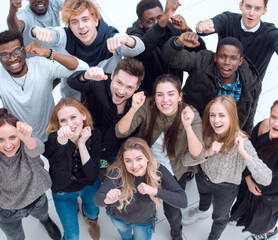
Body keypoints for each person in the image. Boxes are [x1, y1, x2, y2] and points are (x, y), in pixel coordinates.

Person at [115, 74, 204, 240]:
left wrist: (188, 126)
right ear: (154, 96)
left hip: (174, 171)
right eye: (160, 94)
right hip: (146, 166)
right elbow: (120, 131)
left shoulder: (190, 113)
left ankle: (176, 232)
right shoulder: (148, 106)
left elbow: (197, 154)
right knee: (144, 201)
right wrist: (133, 108)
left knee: (172, 209)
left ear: (180, 96)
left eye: (171, 94)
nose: (165, 100)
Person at [182, 95, 272, 240]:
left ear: (231, 116)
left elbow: (266, 178)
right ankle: (203, 210)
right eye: (212, 115)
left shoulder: (242, 141)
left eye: (222, 115)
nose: (216, 120)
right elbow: (185, 161)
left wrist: (243, 153)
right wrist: (207, 152)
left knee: (220, 216)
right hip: (203, 176)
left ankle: (213, 238)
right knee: (204, 197)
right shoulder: (205, 133)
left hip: (226, 188)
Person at [30, 0, 145, 98]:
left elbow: (139, 48)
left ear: (95, 20)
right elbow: (51, 33)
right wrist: (36, 31)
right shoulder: (66, 36)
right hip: (75, 102)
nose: (81, 26)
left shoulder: (110, 35)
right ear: (69, 25)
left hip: (106, 102)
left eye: (85, 19)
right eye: (74, 22)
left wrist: (127, 40)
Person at [162, 34, 261, 134]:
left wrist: (244, 139)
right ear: (215, 56)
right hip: (191, 127)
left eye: (233, 58)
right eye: (223, 56)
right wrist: (178, 42)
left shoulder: (252, 83)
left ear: (240, 61)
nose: (227, 62)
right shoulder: (203, 61)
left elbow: (249, 118)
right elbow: (172, 58)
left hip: (224, 136)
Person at [0, 30, 87, 142]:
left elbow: (83, 68)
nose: (12, 58)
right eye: (5, 55)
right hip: (21, 140)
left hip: (52, 135)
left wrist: (48, 53)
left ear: (24, 49)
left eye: (16, 51)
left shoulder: (40, 65)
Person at [94, 137, 188, 240]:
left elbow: (182, 201)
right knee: (125, 236)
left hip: (144, 222)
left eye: (139, 158)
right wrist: (107, 199)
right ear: (123, 162)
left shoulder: (158, 170)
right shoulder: (117, 172)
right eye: (128, 161)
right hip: (119, 218)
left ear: (147, 157)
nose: (134, 165)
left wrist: (154, 191)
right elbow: (97, 200)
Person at [67, 57, 145, 175]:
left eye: (129, 87)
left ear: (137, 87)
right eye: (119, 83)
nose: (121, 91)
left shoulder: (140, 99)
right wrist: (85, 75)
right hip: (88, 145)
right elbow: (72, 81)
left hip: (115, 152)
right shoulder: (98, 82)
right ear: (112, 75)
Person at [43, 98, 101, 240]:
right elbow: (59, 173)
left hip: (89, 185)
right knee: (72, 236)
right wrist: (61, 145)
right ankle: (75, 205)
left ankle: (91, 220)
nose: (69, 124)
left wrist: (81, 144)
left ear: (83, 115)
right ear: (59, 124)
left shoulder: (94, 135)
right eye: (63, 120)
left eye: (73, 117)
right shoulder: (53, 139)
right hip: (64, 191)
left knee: (93, 213)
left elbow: (92, 175)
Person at [0, 108, 61, 240]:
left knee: (43, 215)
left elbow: (38, 149)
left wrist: (26, 138)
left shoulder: (27, 143)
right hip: (7, 211)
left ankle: (46, 222)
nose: (8, 145)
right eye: (1, 140)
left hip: (37, 199)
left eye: (12, 137)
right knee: (16, 238)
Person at [126, 0, 206, 94]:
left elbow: (202, 55)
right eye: (150, 21)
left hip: (173, 95)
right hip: (147, 97)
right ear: (141, 23)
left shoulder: (173, 27)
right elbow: (143, 47)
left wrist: (186, 29)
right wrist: (163, 19)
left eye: (159, 18)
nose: (157, 23)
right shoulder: (133, 34)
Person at [230, 100, 278, 240]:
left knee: (263, 218)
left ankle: (270, 231)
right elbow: (249, 150)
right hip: (251, 180)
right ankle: (242, 216)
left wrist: (264, 196)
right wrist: (248, 178)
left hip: (270, 194)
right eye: (274, 117)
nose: (275, 124)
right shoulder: (264, 125)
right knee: (243, 203)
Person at [195, 0, 278, 81]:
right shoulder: (228, 19)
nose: (251, 13)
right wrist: (202, 27)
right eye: (248, 7)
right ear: (241, 5)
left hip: (248, 90)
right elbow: (210, 25)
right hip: (217, 83)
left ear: (264, 10)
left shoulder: (270, 33)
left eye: (257, 9)